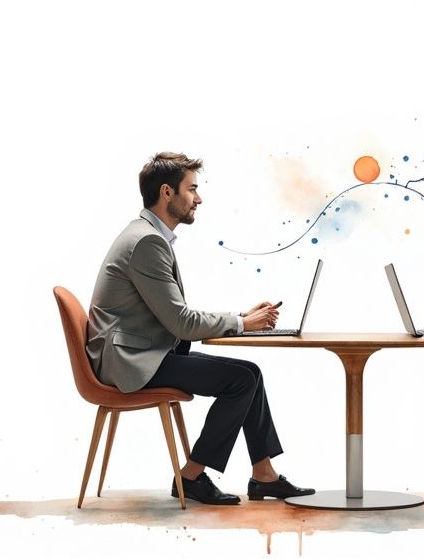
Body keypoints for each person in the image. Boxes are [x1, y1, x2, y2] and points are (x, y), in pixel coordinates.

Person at [85, 151, 314, 505]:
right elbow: (181, 322)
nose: (199, 198)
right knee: (243, 378)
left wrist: (241, 318)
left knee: (248, 375)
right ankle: (190, 476)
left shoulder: (147, 235)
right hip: (131, 360)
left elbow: (176, 315)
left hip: (139, 351)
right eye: (192, 189)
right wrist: (241, 323)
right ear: (166, 193)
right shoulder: (146, 242)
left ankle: (264, 475)